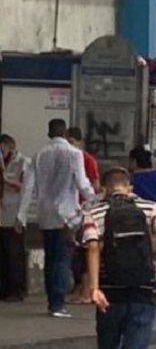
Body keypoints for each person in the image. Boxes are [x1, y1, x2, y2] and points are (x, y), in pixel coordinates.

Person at [82, 167, 156, 348]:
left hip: (110, 292)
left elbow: (93, 247)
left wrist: (94, 288)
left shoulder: (94, 213)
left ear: (104, 189)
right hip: (142, 290)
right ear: (130, 188)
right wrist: (153, 256)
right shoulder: (149, 208)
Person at [17, 119, 95, 318]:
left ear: (48, 133)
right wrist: (95, 199)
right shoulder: (74, 154)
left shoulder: (38, 155)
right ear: (66, 132)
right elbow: (82, 183)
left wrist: (21, 216)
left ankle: (53, 301)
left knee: (50, 258)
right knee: (62, 258)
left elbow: (28, 188)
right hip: (67, 216)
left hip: (45, 215)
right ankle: (58, 304)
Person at [66, 127, 101, 305]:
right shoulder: (68, 158)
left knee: (83, 250)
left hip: (84, 210)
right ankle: (82, 289)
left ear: (79, 142)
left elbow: (94, 185)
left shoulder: (87, 160)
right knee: (76, 251)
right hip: (71, 210)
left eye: (72, 142)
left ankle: (86, 291)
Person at [0, 135, 30, 302]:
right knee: (3, 254)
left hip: (14, 213)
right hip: (2, 213)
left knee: (14, 254)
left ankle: (16, 289)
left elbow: (24, 187)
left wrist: (6, 179)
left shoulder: (22, 162)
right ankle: (3, 288)